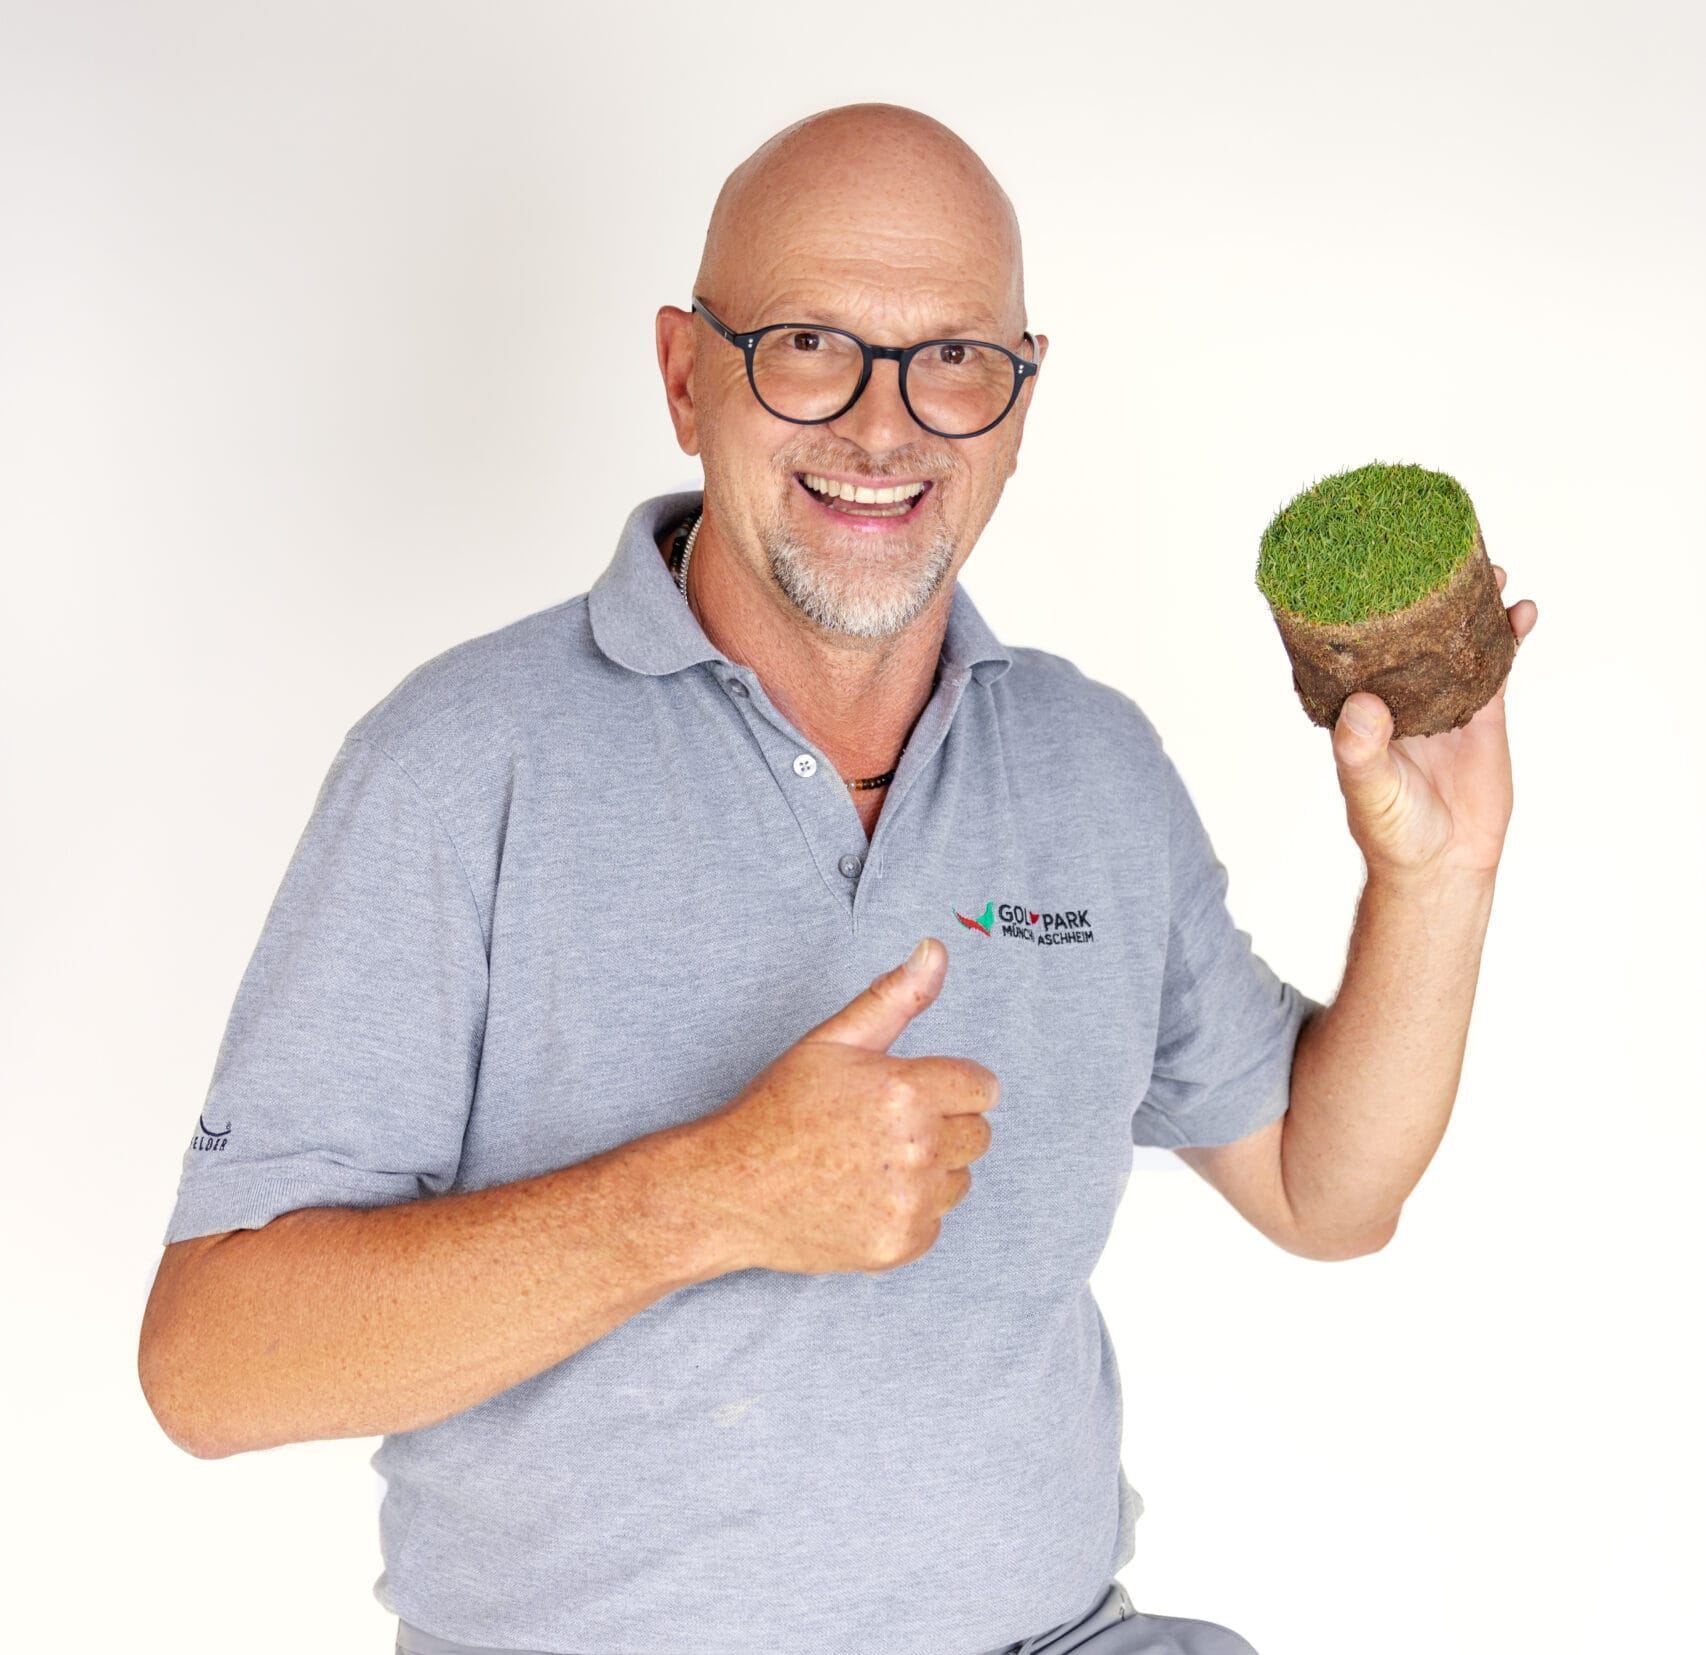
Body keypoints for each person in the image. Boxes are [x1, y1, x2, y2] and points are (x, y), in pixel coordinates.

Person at [138, 103, 1537, 1655]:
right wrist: (706, 1197)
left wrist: (1439, 877)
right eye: (810, 344)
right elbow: (211, 1370)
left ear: (1017, 403)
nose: (885, 429)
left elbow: (1323, 1192)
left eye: (954, 360)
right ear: (686, 376)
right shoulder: (463, 761)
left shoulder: (1089, 767)